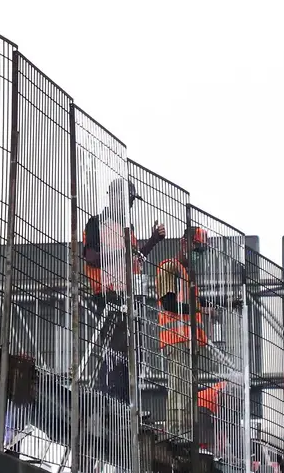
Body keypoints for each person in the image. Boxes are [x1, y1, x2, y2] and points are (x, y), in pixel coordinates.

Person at [79, 177, 166, 403]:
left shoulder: (128, 230)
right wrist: (122, 254)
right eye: (128, 199)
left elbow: (134, 258)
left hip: (127, 297)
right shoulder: (96, 223)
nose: (130, 205)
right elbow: (89, 257)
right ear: (116, 197)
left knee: (132, 354)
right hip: (107, 295)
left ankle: (125, 406)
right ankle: (109, 401)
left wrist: (154, 240)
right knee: (115, 351)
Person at [156, 225, 211, 438]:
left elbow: (195, 302)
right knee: (180, 393)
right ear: (184, 243)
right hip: (177, 341)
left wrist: (220, 303)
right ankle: (177, 435)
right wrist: (201, 308)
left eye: (201, 252)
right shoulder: (170, 267)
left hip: (189, 343)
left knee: (189, 395)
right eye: (196, 249)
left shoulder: (188, 276)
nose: (198, 256)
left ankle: (187, 437)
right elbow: (169, 303)